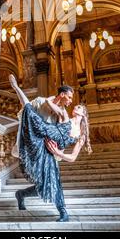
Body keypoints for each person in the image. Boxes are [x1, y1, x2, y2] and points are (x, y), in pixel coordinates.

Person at [9, 74, 92, 222]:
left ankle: (59, 210)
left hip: (51, 148)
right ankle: (16, 87)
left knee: (50, 182)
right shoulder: (65, 115)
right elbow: (49, 103)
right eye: (71, 99)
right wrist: (57, 99)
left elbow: (72, 157)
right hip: (45, 132)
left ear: (84, 114)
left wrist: (58, 152)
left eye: (78, 106)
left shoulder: (81, 134)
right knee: (29, 110)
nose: (74, 104)